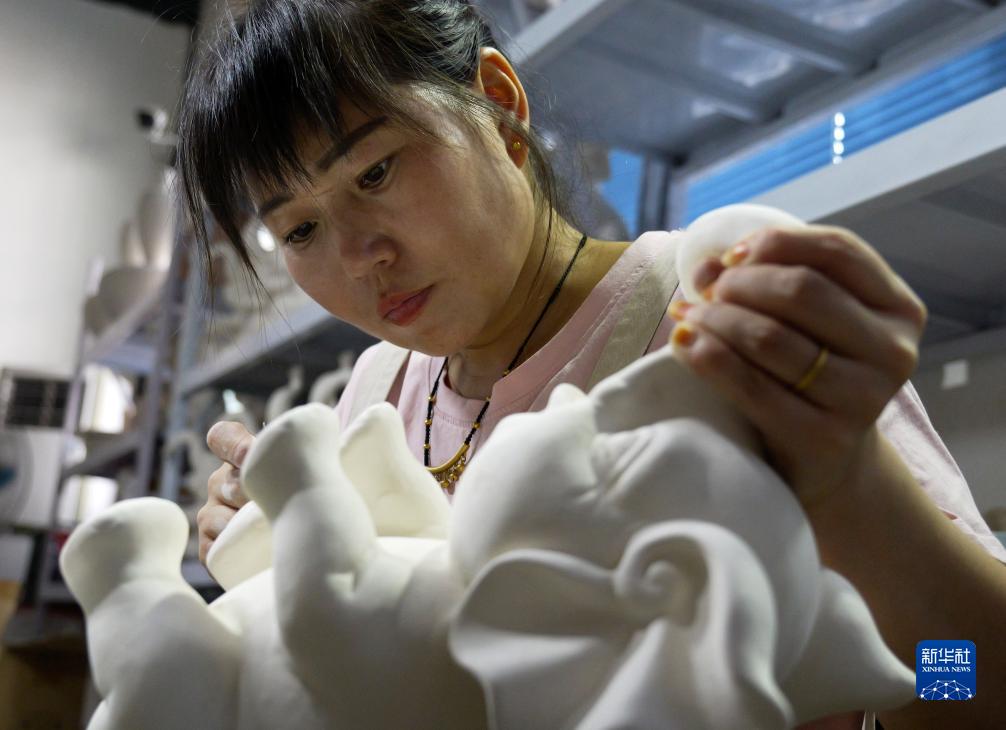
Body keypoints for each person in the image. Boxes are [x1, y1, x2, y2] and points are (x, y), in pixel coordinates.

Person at [177, 1, 1006, 727]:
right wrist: (269, 553)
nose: (361, 257)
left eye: (376, 172)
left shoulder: (720, 325)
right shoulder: (377, 391)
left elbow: (969, 682)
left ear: (497, 103)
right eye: (300, 230)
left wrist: (855, 490)